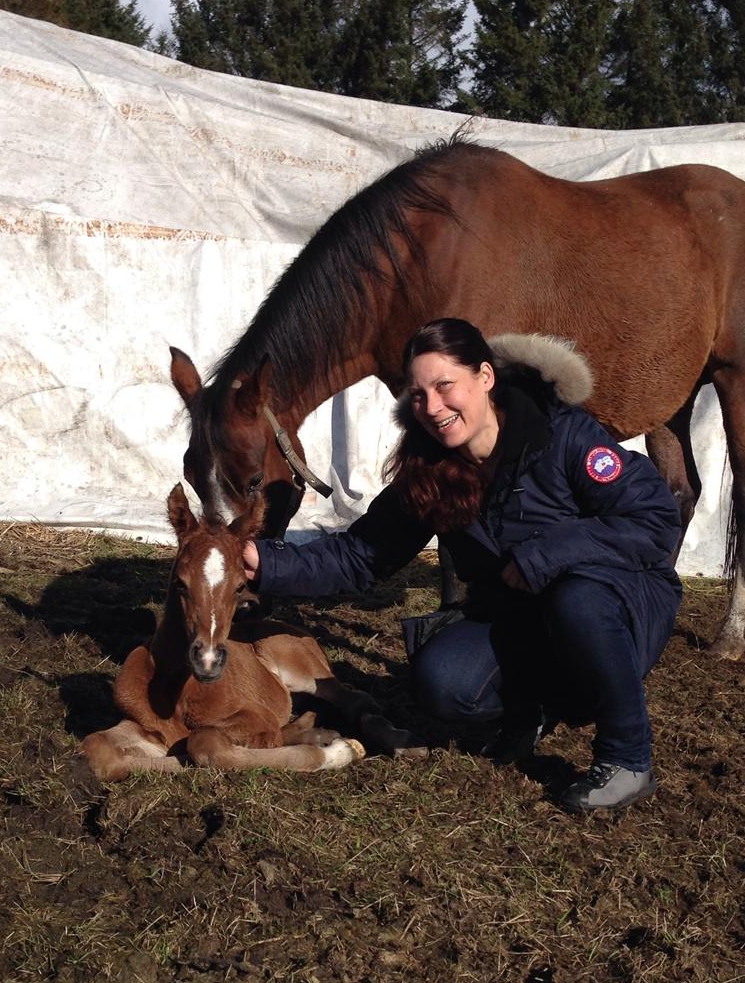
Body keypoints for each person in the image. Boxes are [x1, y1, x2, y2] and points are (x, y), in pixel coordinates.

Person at [241, 318, 682, 812]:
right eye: (418, 394)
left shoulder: (563, 436)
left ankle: (628, 757)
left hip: (622, 606)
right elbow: (361, 554)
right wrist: (268, 564)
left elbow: (654, 518)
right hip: (523, 616)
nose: (432, 407)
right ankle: (533, 708)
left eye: (445, 385)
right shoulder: (430, 470)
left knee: (577, 601)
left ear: (485, 378)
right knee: (444, 679)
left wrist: (545, 554)